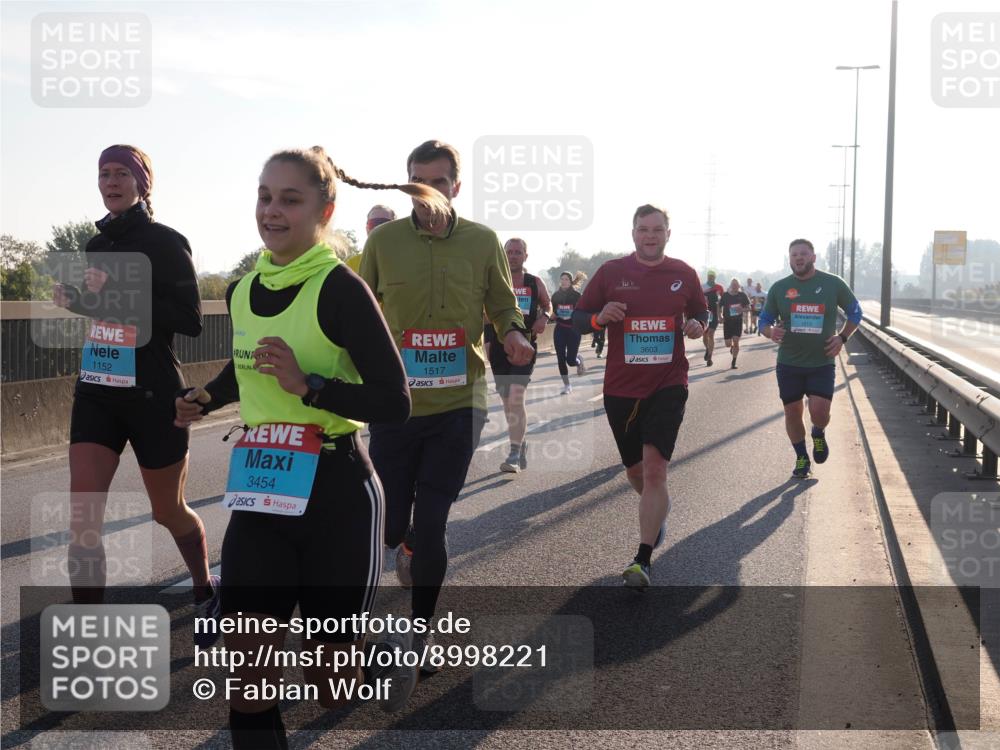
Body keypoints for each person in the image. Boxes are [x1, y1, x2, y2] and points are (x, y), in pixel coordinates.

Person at [175, 146, 448, 746]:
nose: (271, 211)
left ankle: (376, 658)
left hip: (336, 496)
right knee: (248, 677)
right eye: (264, 196)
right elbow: (248, 363)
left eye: (289, 200)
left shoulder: (341, 289)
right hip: (261, 495)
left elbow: (393, 400)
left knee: (331, 682)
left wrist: (311, 386)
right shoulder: (246, 287)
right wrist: (206, 397)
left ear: (324, 209)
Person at [359, 140, 533, 661]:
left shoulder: (483, 241)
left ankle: (418, 633)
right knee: (390, 524)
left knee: (435, 520)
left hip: (461, 403)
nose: (428, 190)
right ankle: (404, 537)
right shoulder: (384, 242)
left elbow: (502, 304)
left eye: (438, 181)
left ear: (456, 187)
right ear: (406, 184)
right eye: (418, 180)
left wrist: (513, 332)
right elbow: (359, 308)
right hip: (396, 404)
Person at [52, 145, 218, 639]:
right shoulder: (95, 245)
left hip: (152, 394)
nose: (111, 181)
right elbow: (110, 311)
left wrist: (121, 294)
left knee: (168, 511)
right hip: (98, 390)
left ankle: (205, 587)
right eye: (103, 173)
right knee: (83, 517)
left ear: (143, 182)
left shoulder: (167, 242)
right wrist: (79, 301)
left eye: (122, 172)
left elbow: (189, 321)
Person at [573, 204, 707, 588]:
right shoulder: (611, 273)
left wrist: (699, 324)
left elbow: (701, 311)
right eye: (643, 229)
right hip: (620, 388)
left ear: (668, 233)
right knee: (636, 473)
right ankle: (657, 507)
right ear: (633, 234)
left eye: (657, 229)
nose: (650, 235)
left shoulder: (683, 273)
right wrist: (600, 318)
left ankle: (642, 559)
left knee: (654, 469)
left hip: (668, 383)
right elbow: (580, 319)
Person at [758, 239, 862, 478]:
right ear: (789, 259)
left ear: (813, 257)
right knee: (793, 413)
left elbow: (856, 312)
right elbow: (764, 320)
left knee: (819, 412)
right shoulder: (779, 288)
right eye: (794, 254)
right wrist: (770, 331)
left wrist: (843, 338)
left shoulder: (833, 284)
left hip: (821, 362)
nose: (799, 258)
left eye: (803, 254)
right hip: (789, 363)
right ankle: (801, 457)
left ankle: (818, 433)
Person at [484, 238, 552, 471]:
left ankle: (513, 453)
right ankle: (520, 444)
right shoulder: (495, 281)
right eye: (509, 252)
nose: (513, 256)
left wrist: (544, 318)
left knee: (515, 395)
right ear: (503, 255)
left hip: (526, 345)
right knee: (506, 399)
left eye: (518, 252)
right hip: (498, 346)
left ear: (526, 255)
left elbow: (547, 304)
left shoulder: (534, 282)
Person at [551, 271, 589, 394]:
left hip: (573, 330)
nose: (564, 281)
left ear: (571, 281)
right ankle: (567, 386)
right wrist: (551, 315)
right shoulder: (555, 296)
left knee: (570, 361)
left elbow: (584, 310)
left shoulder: (577, 295)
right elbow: (555, 311)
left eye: (566, 279)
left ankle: (578, 361)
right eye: (562, 279)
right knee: (560, 358)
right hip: (560, 329)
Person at [346, 205, 397, 274]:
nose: (378, 228)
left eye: (384, 223)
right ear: (367, 229)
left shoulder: (406, 261)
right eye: (373, 223)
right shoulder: (351, 265)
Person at [719, 278, 750, 369]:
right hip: (727, 322)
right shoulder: (725, 295)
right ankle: (731, 347)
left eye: (736, 284)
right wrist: (720, 316)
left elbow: (749, 307)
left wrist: (742, 309)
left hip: (737, 322)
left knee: (736, 341)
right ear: (731, 285)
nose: (734, 286)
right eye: (733, 284)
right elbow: (719, 305)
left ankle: (734, 362)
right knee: (728, 344)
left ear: (739, 286)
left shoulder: (742, 295)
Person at [701, 270, 724, 366]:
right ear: (707, 276)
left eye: (712, 276)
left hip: (714, 313)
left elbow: (723, 301)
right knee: (704, 335)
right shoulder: (702, 287)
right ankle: (707, 348)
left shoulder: (719, 287)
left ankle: (710, 357)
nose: (710, 277)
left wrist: (721, 314)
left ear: (715, 277)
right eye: (709, 276)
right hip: (705, 313)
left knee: (711, 334)